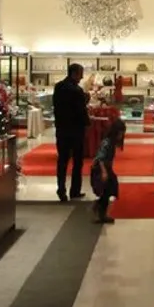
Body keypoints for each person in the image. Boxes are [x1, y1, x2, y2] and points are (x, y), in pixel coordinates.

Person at [52, 63, 90, 202]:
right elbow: (81, 110)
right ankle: (75, 190)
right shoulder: (77, 90)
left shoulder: (59, 86)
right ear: (74, 73)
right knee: (77, 161)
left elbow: (56, 106)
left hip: (62, 129)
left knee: (62, 161)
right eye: (81, 73)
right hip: (76, 130)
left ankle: (61, 190)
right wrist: (87, 124)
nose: (82, 76)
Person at [91, 118, 127, 224]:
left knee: (110, 189)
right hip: (99, 168)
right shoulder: (106, 143)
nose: (121, 136)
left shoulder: (112, 142)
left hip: (107, 168)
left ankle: (102, 212)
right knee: (105, 190)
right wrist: (104, 172)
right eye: (120, 133)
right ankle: (99, 210)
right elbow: (100, 158)